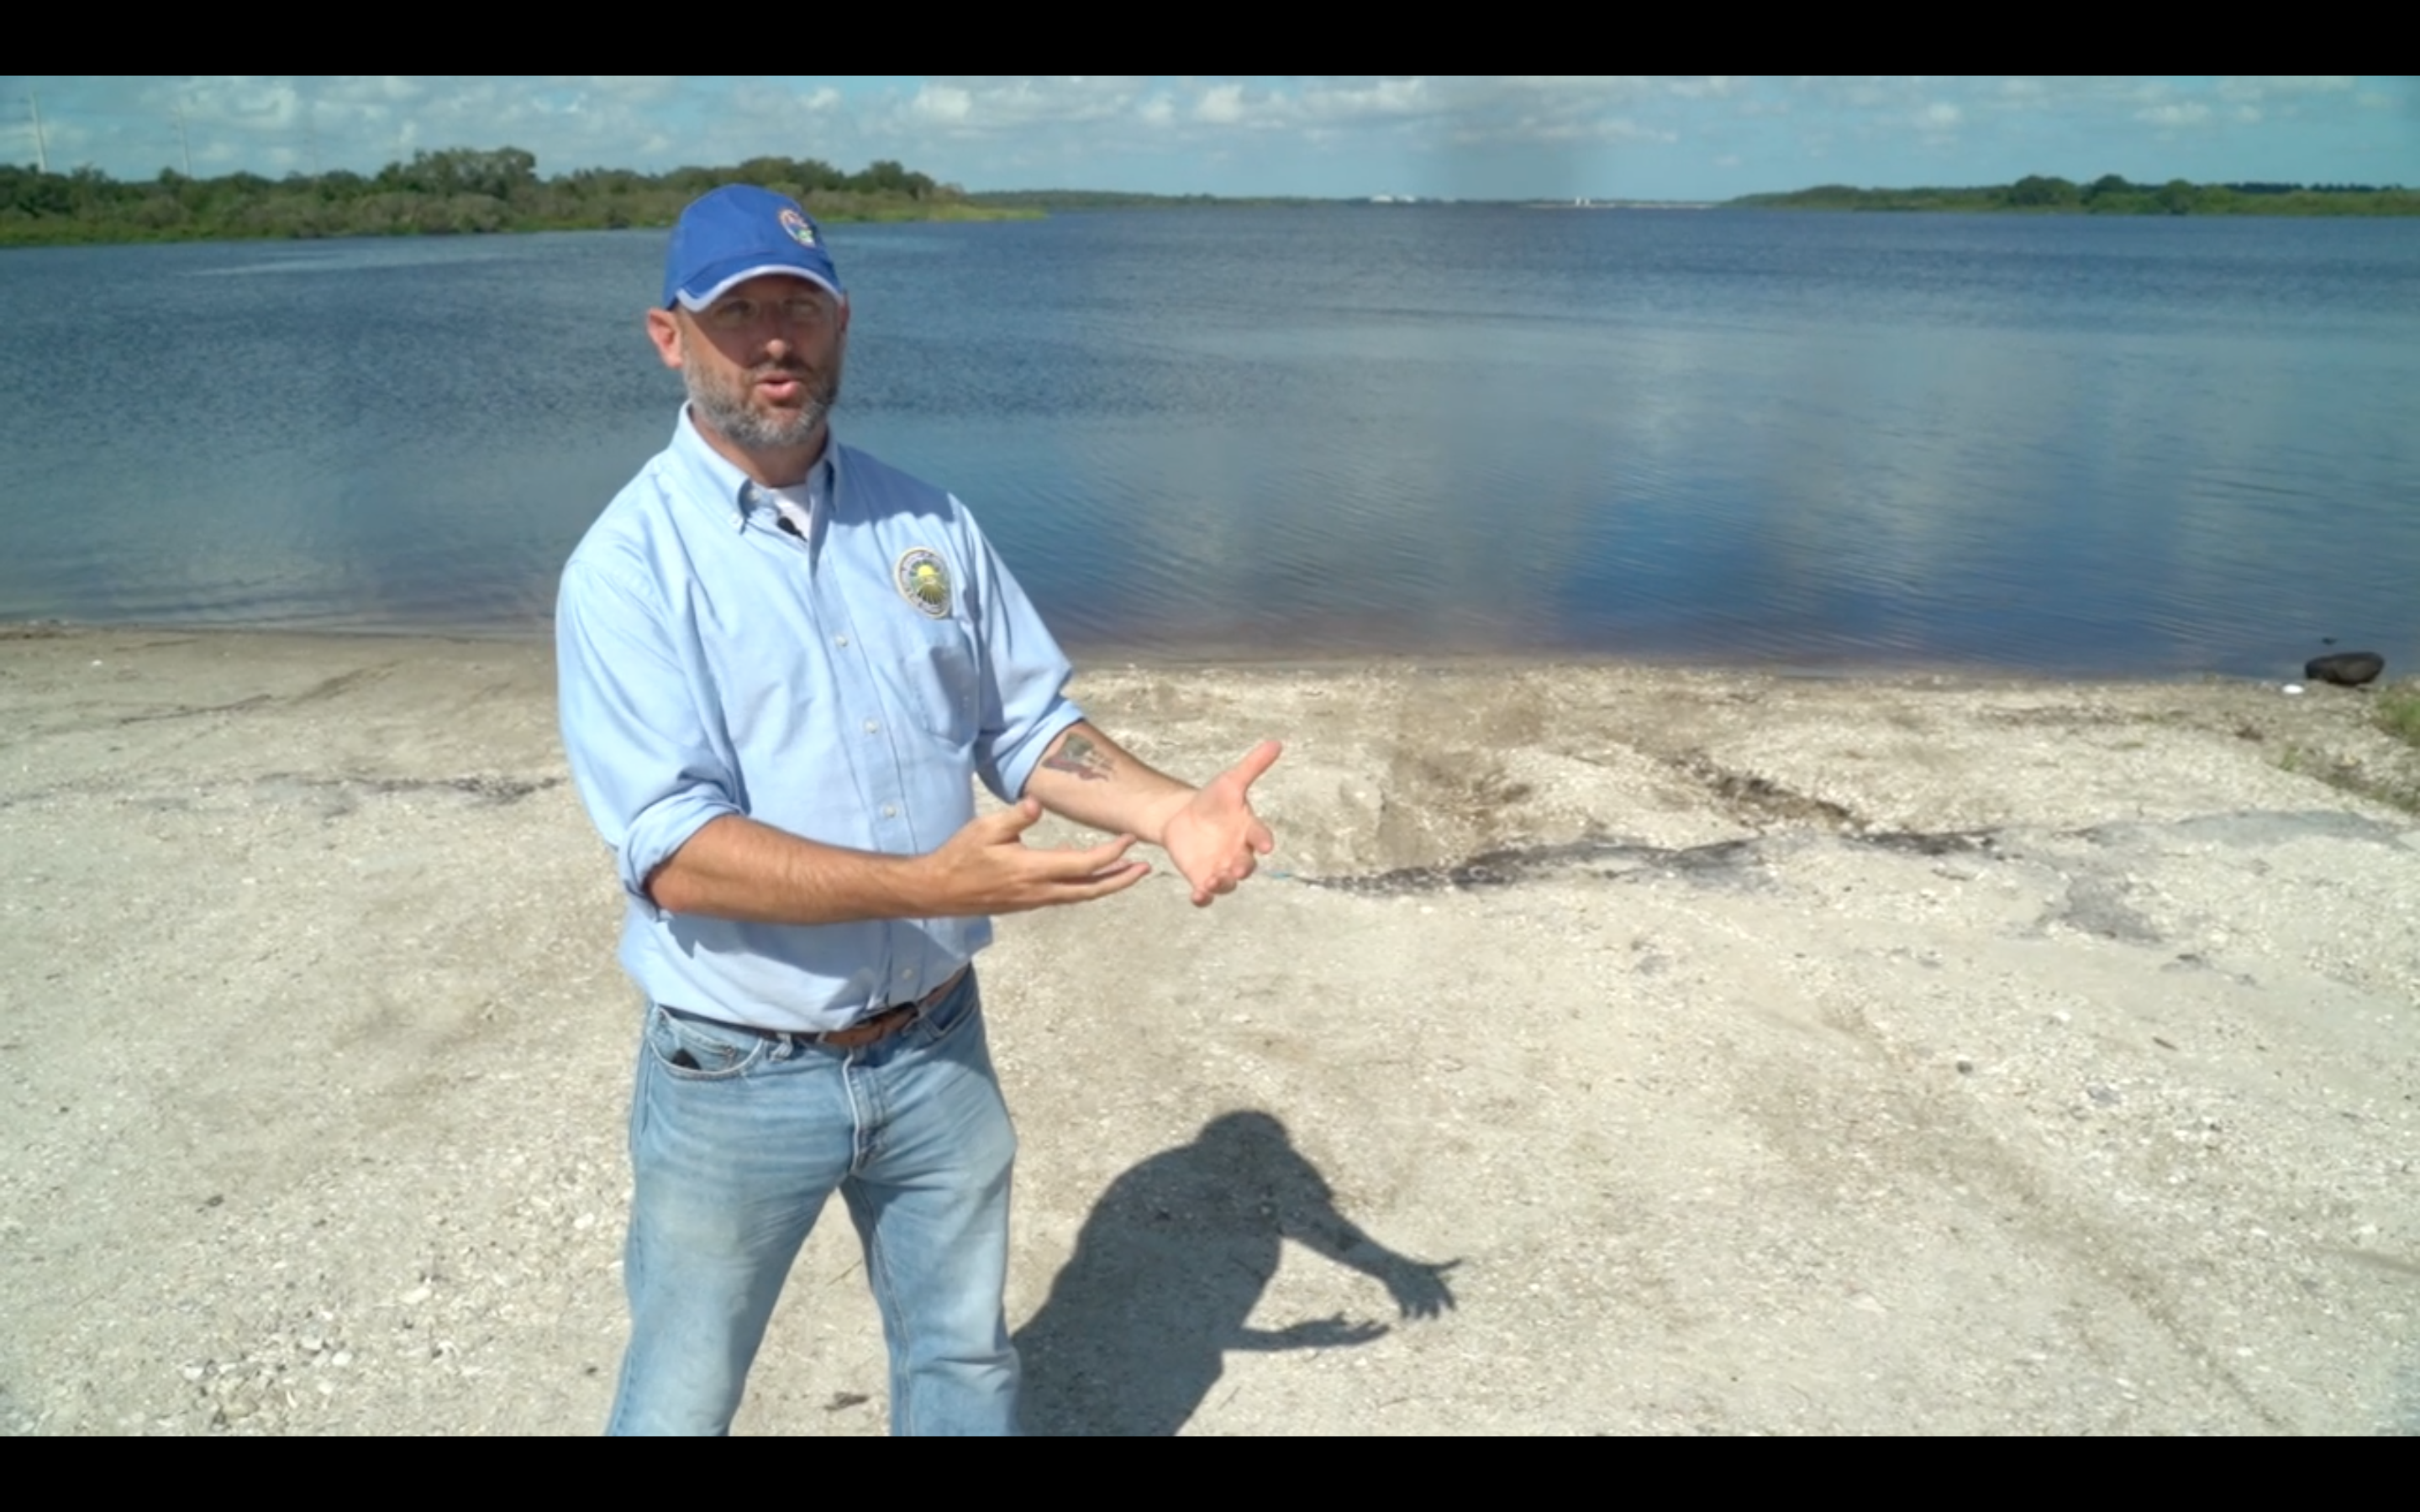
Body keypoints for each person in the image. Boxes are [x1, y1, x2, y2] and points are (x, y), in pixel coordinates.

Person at [555, 185, 1281, 1436]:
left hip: (934, 1046)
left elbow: (1028, 727)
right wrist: (928, 887)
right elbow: (671, 851)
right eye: (738, 314)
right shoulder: (626, 568)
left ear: (842, 324)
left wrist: (1171, 811)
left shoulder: (926, 519)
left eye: (801, 307)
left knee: (963, 1366)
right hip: (739, 1067)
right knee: (683, 1390)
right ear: (670, 337)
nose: (774, 340)